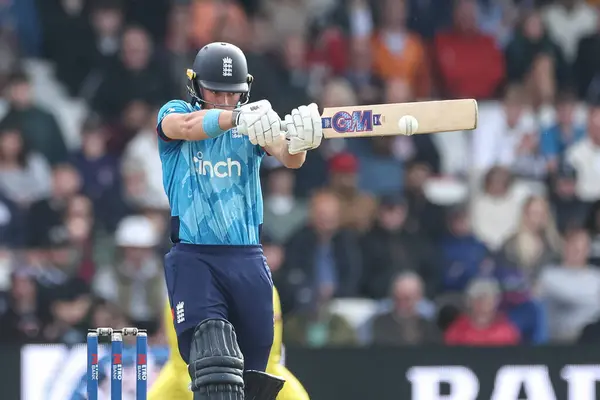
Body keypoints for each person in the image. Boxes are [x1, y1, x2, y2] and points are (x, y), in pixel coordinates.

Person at [156, 42, 322, 400]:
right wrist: (236, 119)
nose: (223, 100)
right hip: (195, 258)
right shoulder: (178, 111)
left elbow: (289, 157)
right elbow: (183, 127)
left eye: (233, 95)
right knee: (213, 359)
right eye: (214, 91)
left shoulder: (254, 126)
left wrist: (300, 141)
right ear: (195, 85)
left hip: (248, 258)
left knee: (255, 378)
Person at [148, 288, 310, 400]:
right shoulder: (186, 286)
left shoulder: (260, 283)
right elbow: (182, 358)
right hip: (188, 380)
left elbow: (268, 352)